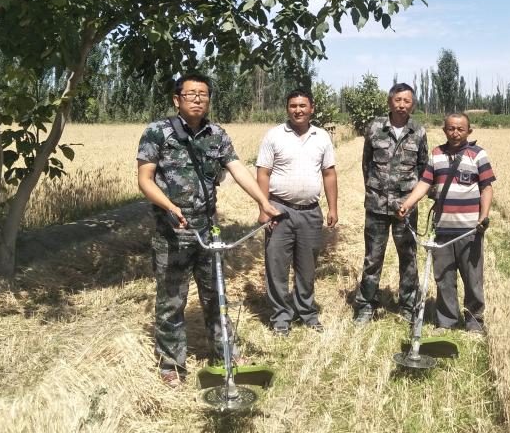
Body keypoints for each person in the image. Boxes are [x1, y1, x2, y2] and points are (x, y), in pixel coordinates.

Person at [137, 72, 280, 388]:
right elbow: (144, 180)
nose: (198, 99)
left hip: (208, 230)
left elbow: (238, 169)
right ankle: (172, 365)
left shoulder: (217, 135)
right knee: (171, 301)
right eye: (191, 94)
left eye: (203, 94)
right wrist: (169, 206)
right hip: (172, 232)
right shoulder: (157, 132)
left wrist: (263, 202)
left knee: (216, 295)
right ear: (177, 99)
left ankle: (226, 353)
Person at [398, 113, 495, 333]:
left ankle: (474, 322)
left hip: (469, 230)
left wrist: (483, 216)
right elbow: (425, 183)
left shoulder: (478, 155)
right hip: (442, 229)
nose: (455, 133)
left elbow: (487, 187)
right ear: (444, 130)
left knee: (472, 278)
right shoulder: (437, 154)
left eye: (460, 129)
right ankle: (446, 321)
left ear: (469, 131)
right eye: (451, 128)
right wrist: (408, 204)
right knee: (444, 278)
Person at [257, 89, 339, 335]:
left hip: (310, 212)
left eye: (303, 105)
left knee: (307, 267)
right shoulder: (274, 135)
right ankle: (281, 318)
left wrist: (333, 207)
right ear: (287, 108)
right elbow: (263, 173)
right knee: (277, 266)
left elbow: (329, 173)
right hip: (279, 210)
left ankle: (307, 313)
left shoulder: (321, 136)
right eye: (293, 105)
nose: (298, 110)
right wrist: (264, 209)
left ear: (312, 108)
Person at [353, 82, 428, 324]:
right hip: (376, 206)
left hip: (405, 208)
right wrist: (375, 190)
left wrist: (410, 198)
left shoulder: (419, 131)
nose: (402, 105)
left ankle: (408, 305)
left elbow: (423, 169)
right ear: (390, 102)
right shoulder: (375, 127)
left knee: (408, 257)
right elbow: (367, 163)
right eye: (398, 100)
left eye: (407, 101)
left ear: (412, 104)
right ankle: (366, 305)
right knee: (372, 258)